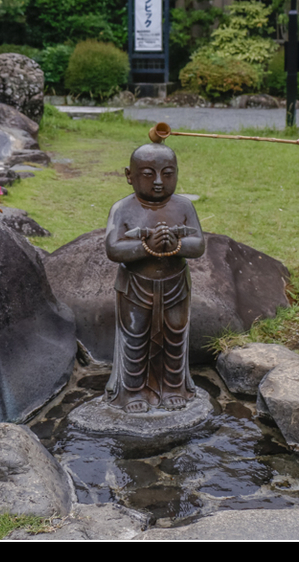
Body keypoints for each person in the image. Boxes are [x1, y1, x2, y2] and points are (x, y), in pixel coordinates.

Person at [104, 143, 205, 413]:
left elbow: (198, 245)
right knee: (134, 339)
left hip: (175, 286)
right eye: (149, 174)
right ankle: (133, 391)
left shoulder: (183, 206)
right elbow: (114, 249)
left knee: (175, 338)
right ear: (129, 175)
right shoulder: (123, 209)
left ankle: (172, 387)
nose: (159, 182)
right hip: (135, 287)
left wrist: (175, 244)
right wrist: (147, 246)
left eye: (168, 173)